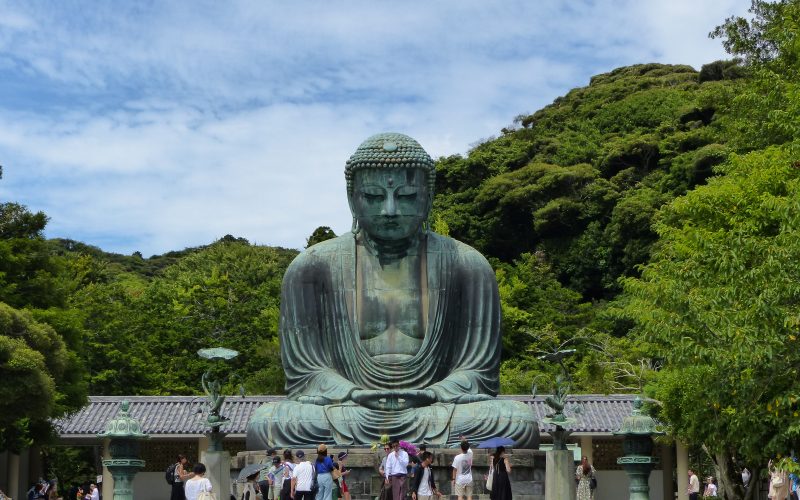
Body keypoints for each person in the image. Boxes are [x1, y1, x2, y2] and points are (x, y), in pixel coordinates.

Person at [246, 133, 539, 449]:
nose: (389, 210)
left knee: (517, 421)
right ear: (352, 199)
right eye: (373, 196)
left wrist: (433, 393)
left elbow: (477, 372)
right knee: (268, 423)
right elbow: (307, 373)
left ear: (428, 198)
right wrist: (353, 393)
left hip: (434, 407)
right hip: (349, 409)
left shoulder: (467, 265)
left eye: (407, 196)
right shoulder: (312, 267)